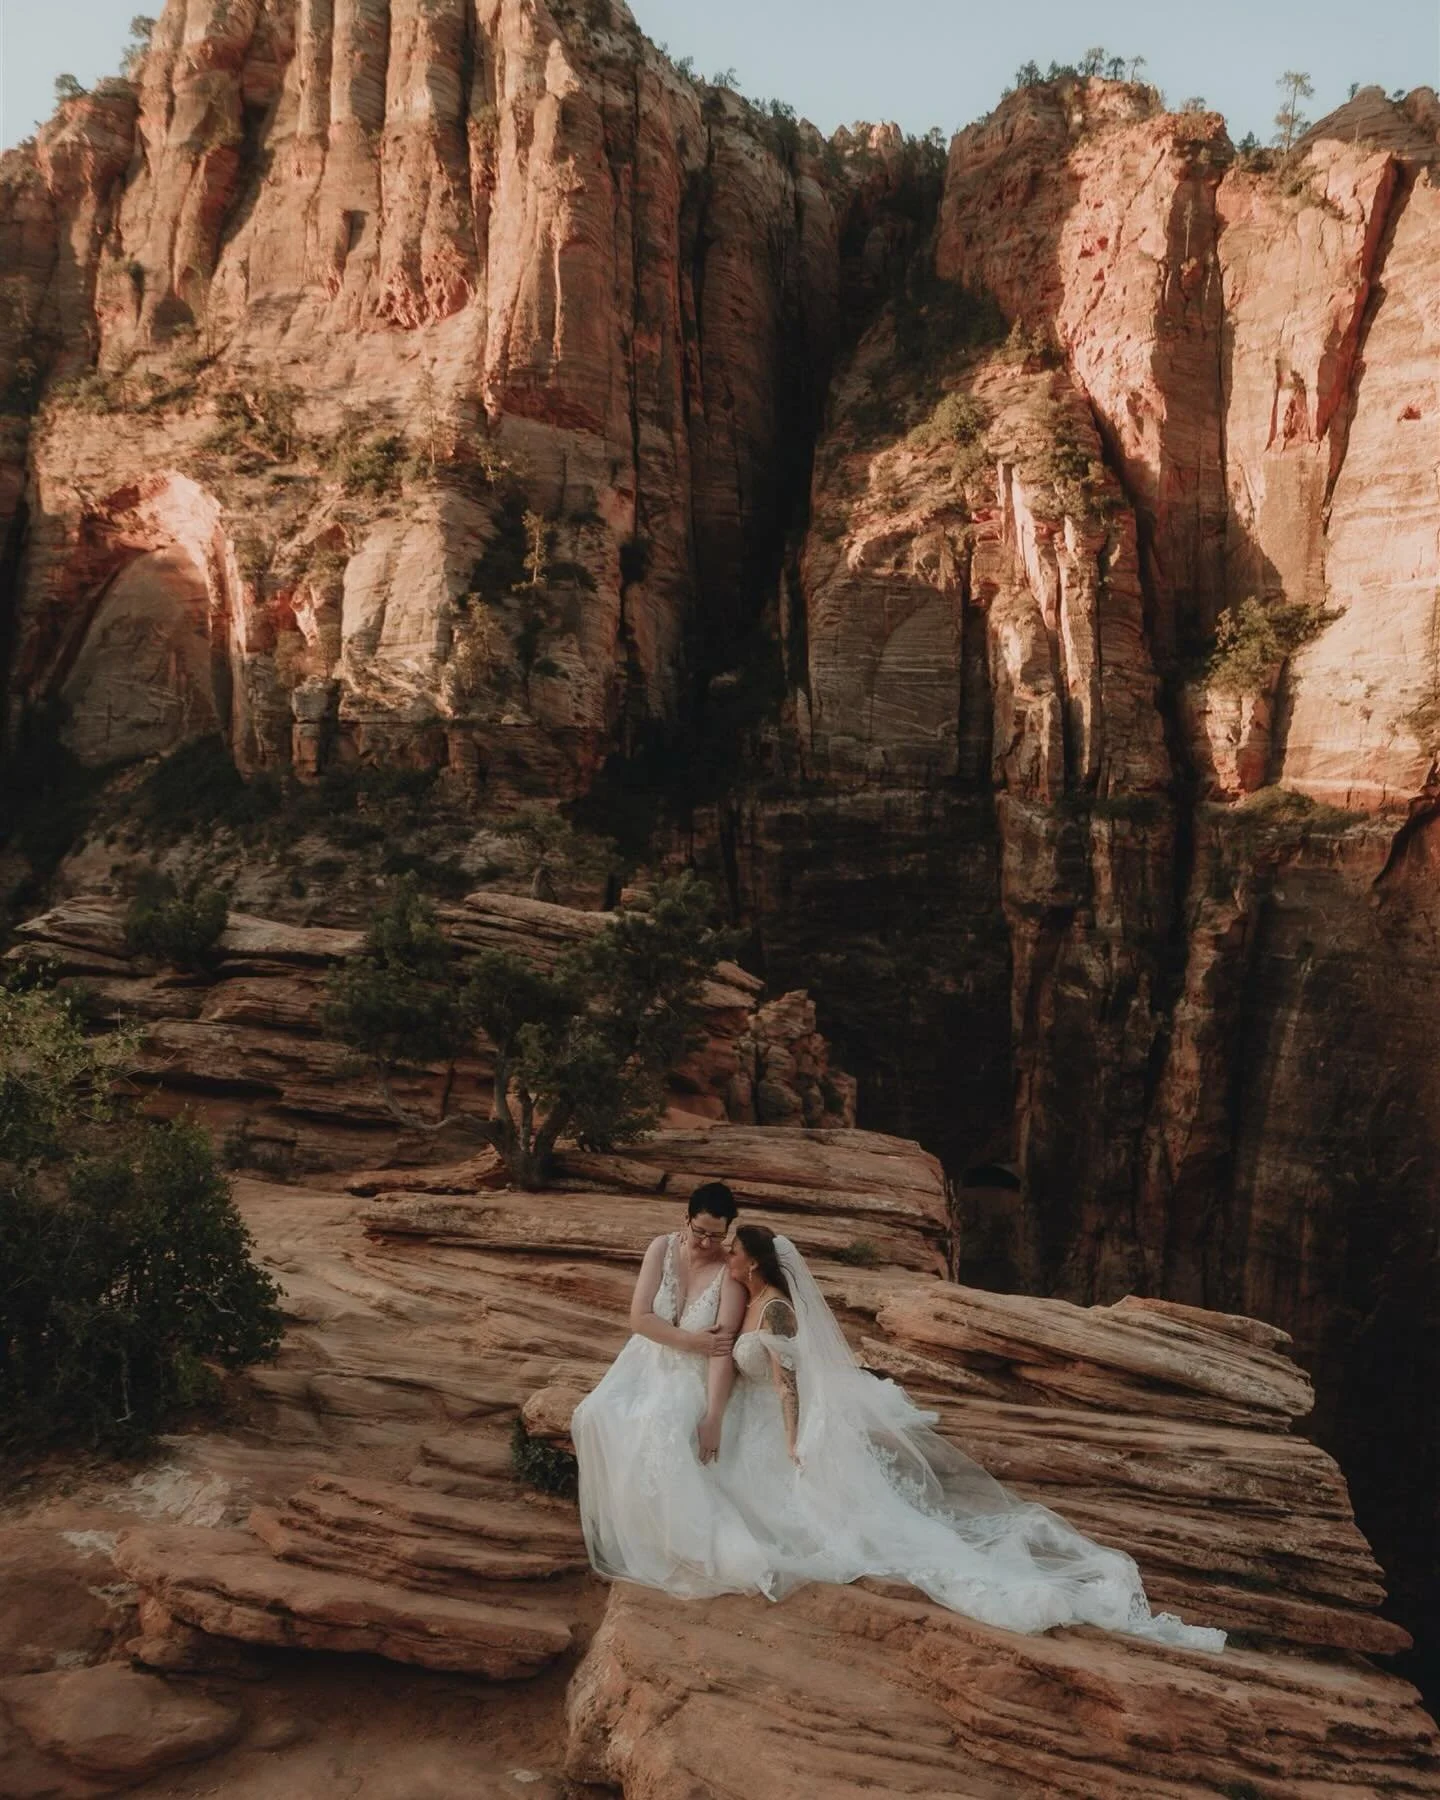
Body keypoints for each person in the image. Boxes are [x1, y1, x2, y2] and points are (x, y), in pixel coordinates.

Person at [577, 1216, 1225, 1650]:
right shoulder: (753, 1295)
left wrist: (798, 1442)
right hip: (750, 1422)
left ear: (751, 1261)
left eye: (736, 1254)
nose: (729, 1261)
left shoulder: (771, 1307)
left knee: (799, 1528)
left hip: (771, 1427)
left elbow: (786, 1386)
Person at [572, 1181, 763, 1596]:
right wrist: (691, 1339)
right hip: (644, 1360)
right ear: (686, 1220)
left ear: (729, 1230)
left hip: (691, 1376)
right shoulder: (660, 1248)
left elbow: (722, 1350)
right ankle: (631, 1529)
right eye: (700, 1231)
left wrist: (713, 1416)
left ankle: (673, 1543)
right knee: (593, 1413)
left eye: (717, 1235)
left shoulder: (727, 1273)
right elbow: (639, 1318)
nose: (707, 1242)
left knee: (662, 1423)